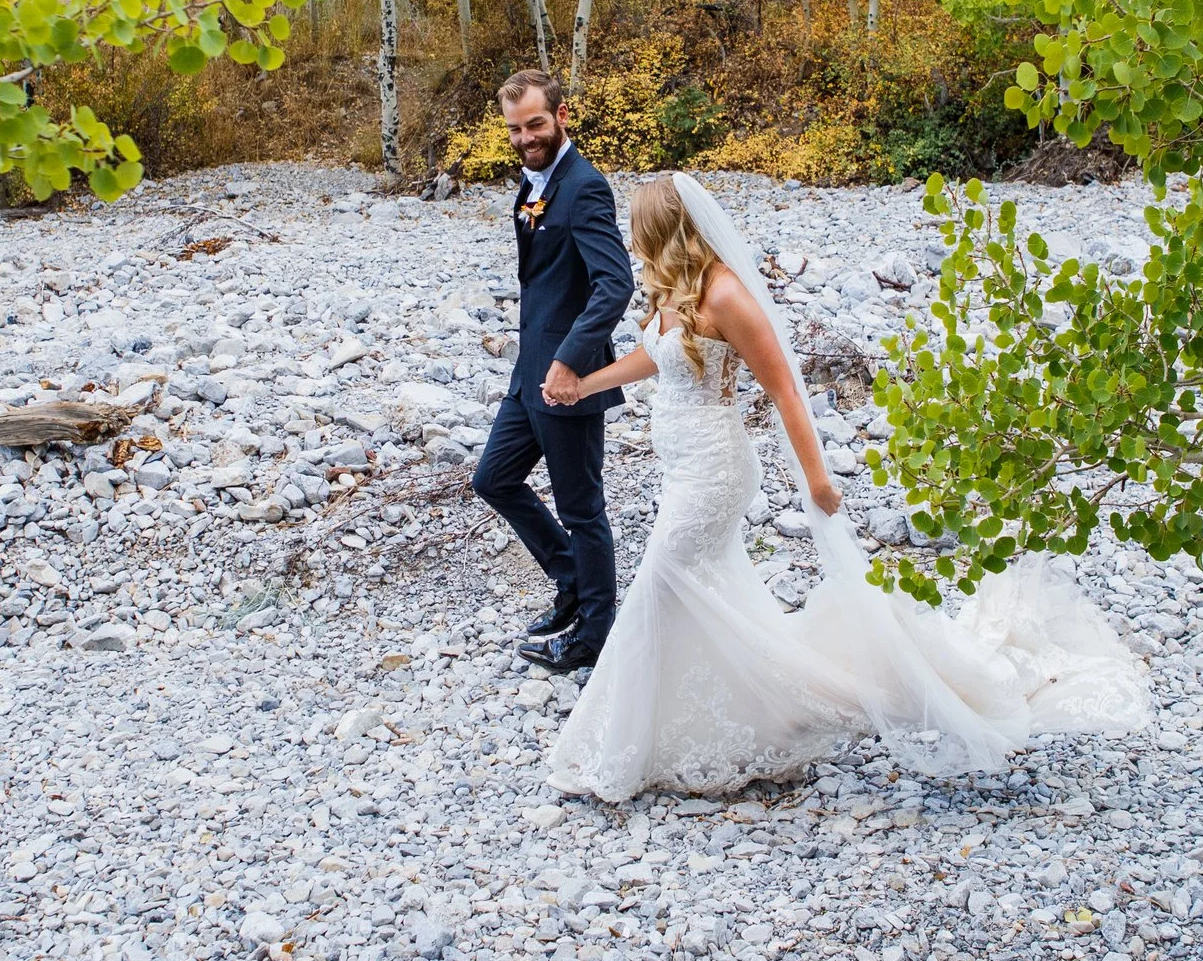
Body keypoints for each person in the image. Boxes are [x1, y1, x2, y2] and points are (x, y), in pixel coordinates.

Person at [540, 174, 1152, 801]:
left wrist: (817, 481)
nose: (632, 239)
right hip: (682, 472)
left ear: (665, 229)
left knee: (656, 587)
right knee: (709, 602)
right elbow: (657, 355)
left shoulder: (726, 295)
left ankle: (618, 747)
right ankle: (727, 721)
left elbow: (785, 390)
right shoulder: (675, 289)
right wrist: (584, 385)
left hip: (713, 474)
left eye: (640, 227)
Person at [468, 70, 636, 674]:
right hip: (527, 372)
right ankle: (571, 581)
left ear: (561, 116)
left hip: (568, 378)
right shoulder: (534, 181)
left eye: (535, 124)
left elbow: (615, 284)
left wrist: (569, 360)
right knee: (494, 479)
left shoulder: (585, 187)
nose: (524, 138)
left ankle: (595, 632)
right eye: (514, 129)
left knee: (582, 508)